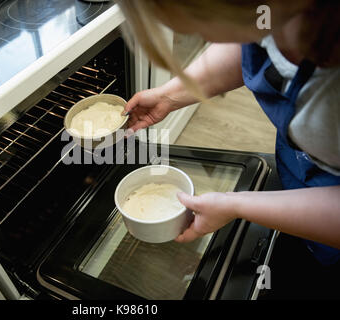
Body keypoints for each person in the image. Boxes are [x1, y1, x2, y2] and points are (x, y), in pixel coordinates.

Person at [115, 0, 340, 298]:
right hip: (298, 171)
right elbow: (250, 38)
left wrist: (236, 205)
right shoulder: (271, 12)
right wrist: (169, 96)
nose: (201, 37)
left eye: (195, 25)